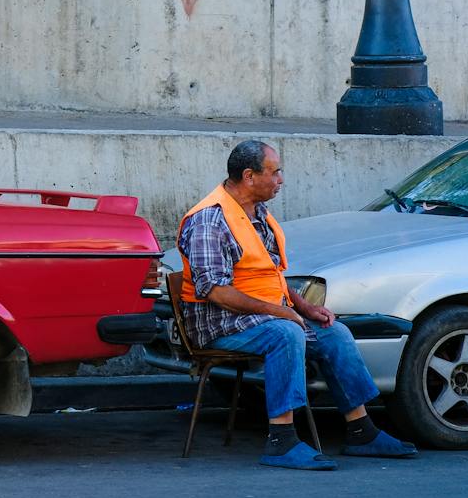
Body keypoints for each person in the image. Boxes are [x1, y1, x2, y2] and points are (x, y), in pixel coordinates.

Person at [178, 141, 418, 470]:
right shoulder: (210, 221)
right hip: (218, 322)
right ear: (249, 176)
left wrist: (303, 307)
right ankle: (282, 439)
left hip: (259, 315)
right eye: (274, 172)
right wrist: (281, 312)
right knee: (285, 333)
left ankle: (361, 430)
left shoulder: (256, 212)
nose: (280, 179)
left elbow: (271, 276)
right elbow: (215, 291)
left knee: (335, 333)